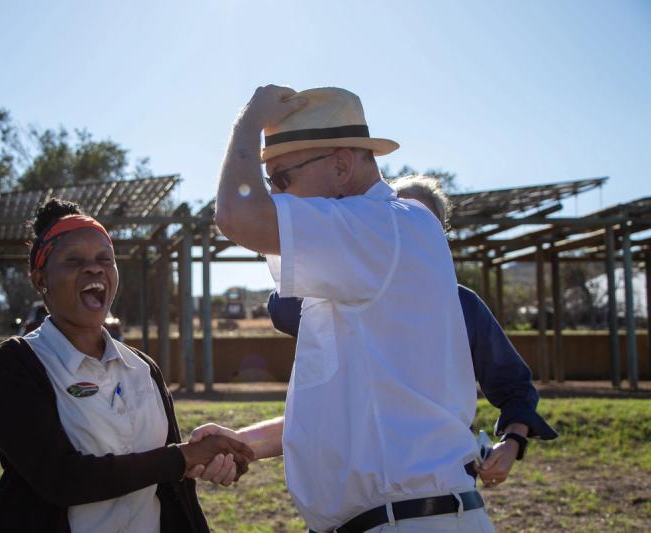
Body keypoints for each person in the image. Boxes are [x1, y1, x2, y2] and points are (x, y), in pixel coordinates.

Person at [205, 85, 494, 532]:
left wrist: (247, 122)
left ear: (342, 165)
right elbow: (348, 409)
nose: (276, 195)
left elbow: (237, 216)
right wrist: (244, 442)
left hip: (408, 521)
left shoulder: (387, 227)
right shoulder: (366, 249)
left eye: (281, 179)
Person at [259, 175, 557, 489]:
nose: (409, 227)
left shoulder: (462, 304)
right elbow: (283, 310)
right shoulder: (345, 301)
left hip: (440, 486)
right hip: (359, 487)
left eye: (422, 221)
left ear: (438, 236)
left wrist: (512, 444)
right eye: (397, 215)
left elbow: (514, 386)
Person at [0, 198, 254, 533]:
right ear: (40, 280)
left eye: (104, 259)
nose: (94, 268)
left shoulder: (142, 368)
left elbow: (170, 482)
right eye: (74, 260)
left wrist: (214, 460)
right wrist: (183, 457)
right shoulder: (12, 366)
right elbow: (62, 479)